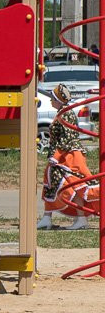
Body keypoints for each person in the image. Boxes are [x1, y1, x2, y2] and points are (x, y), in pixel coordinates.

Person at [39, 84, 98, 230]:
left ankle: (81, 218)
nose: (51, 101)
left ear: (58, 100)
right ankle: (47, 217)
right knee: (51, 183)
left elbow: (67, 138)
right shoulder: (62, 112)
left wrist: (56, 156)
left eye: (53, 98)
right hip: (61, 155)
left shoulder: (66, 114)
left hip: (69, 156)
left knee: (75, 185)